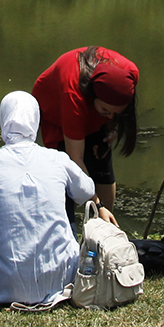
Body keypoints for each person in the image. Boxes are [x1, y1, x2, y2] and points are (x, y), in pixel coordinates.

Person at [0, 91, 100, 307]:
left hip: (1, 285)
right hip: (62, 281)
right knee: (67, 191)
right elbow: (87, 191)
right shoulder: (57, 159)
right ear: (36, 121)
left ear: (3, 120)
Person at [30, 46, 138, 210]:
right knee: (66, 180)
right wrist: (97, 204)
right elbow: (75, 160)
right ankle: (67, 227)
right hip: (57, 111)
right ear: (93, 96)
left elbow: (117, 109)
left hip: (92, 106)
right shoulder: (72, 95)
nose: (110, 116)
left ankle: (106, 228)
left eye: (116, 113)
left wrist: (114, 128)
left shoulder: (129, 73)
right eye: (106, 112)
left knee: (102, 166)